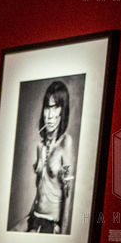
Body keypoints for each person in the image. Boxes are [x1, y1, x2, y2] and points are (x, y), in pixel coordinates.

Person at [25, 80, 74, 234]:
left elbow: (68, 193)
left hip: (51, 223)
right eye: (48, 107)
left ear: (62, 111)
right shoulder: (40, 146)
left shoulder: (65, 143)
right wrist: (29, 218)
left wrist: (63, 234)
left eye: (56, 107)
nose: (50, 115)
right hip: (34, 218)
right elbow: (40, 189)